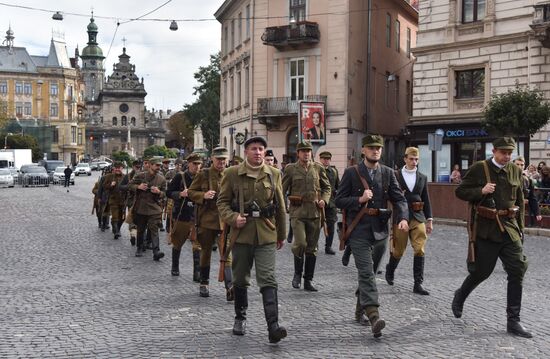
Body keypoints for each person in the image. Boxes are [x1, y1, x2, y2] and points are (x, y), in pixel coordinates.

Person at [453, 137, 531, 338]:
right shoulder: (480, 168)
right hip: (487, 230)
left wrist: (521, 228)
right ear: (494, 151)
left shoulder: (515, 170)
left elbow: (520, 201)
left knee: (518, 269)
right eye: (503, 153)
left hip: (510, 228)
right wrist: (481, 191)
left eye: (509, 153)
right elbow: (460, 191)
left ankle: (513, 321)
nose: (507, 157)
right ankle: (460, 294)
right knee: (481, 272)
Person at [335, 134, 409, 338]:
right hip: (358, 230)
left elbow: (399, 199)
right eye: (371, 148)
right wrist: (359, 199)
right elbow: (338, 200)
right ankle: (374, 316)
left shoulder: (387, 173)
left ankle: (360, 310)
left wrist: (402, 218)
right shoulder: (351, 173)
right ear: (363, 151)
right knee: (367, 273)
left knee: (371, 273)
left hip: (380, 231)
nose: (375, 151)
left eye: (378, 148)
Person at [217, 136, 288, 343]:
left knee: (268, 278)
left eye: (261, 149)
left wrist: (282, 235)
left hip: (266, 233)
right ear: (246, 152)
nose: (258, 152)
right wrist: (232, 218)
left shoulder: (274, 174)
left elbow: (280, 207)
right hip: (241, 235)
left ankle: (273, 326)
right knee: (240, 278)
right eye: (254, 149)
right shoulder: (232, 174)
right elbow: (222, 203)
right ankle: (240, 317)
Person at [282, 141, 331, 292]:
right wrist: (283, 206)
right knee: (301, 243)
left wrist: (324, 199)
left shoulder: (318, 168)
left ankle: (308, 280)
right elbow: (281, 189)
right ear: (298, 153)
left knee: (312, 248)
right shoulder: (291, 169)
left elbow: (326, 187)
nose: (306, 153)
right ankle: (297, 274)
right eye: (303, 151)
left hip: (315, 213)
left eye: (308, 151)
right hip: (297, 213)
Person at [385, 147, 433, 295]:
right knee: (398, 251)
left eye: (416, 159)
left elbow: (426, 199)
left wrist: (429, 219)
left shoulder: (422, 177)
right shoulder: (395, 175)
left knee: (419, 248)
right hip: (401, 217)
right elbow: (388, 195)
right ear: (405, 159)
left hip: (418, 217)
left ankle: (418, 284)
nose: (414, 162)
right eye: (411, 159)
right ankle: (390, 270)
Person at [188, 147, 233, 300]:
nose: (221, 162)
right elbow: (191, 192)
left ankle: (230, 287)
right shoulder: (203, 174)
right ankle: (204, 283)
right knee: (206, 252)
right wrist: (204, 195)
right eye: (219, 159)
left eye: (224, 159)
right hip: (206, 220)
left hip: (225, 221)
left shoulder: (230, 174)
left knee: (226, 254)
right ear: (212, 159)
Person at [166, 153, 203, 279]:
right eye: (194, 164)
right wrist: (180, 194)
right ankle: (175, 266)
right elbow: (169, 192)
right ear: (189, 164)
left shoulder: (203, 177)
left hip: (198, 215)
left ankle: (197, 272)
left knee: (197, 244)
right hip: (182, 215)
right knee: (178, 242)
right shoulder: (179, 177)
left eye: (199, 164)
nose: (197, 167)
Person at [129, 158, 167, 261]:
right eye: (156, 165)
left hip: (154, 208)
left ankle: (156, 251)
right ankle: (139, 248)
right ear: (150, 165)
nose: (158, 167)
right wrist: (138, 187)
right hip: (141, 207)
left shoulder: (161, 179)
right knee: (140, 230)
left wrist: (159, 192)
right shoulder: (140, 176)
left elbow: (165, 193)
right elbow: (130, 185)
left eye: (159, 165)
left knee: (154, 230)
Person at [318, 151, 339, 255]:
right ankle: (313, 245)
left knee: (331, 226)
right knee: (316, 226)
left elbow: (338, 187)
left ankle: (328, 246)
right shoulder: (315, 170)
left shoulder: (334, 171)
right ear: (320, 159)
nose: (326, 161)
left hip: (331, 204)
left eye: (328, 159)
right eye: (324, 159)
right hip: (318, 203)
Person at [101, 162, 126, 240]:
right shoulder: (109, 176)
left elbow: (129, 186)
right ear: (114, 168)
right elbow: (104, 187)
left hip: (123, 200)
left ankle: (118, 229)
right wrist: (110, 185)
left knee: (122, 217)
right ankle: (116, 231)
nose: (118, 169)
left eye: (119, 168)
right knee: (115, 216)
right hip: (113, 199)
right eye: (116, 168)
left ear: (122, 168)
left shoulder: (125, 177)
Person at [514, 157, 542, 227]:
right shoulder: (506, 177)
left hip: (520, 212)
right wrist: (520, 200)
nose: (519, 167)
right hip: (508, 212)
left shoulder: (527, 180)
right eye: (517, 164)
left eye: (522, 165)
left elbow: (532, 197)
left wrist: (537, 213)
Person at [119, 160, 142, 246]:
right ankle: (133, 234)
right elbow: (121, 186)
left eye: (139, 167)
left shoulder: (144, 175)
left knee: (141, 219)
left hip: (142, 201)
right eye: (137, 167)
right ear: (133, 166)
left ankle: (140, 236)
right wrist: (129, 186)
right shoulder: (128, 176)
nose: (138, 169)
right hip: (131, 201)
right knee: (132, 218)